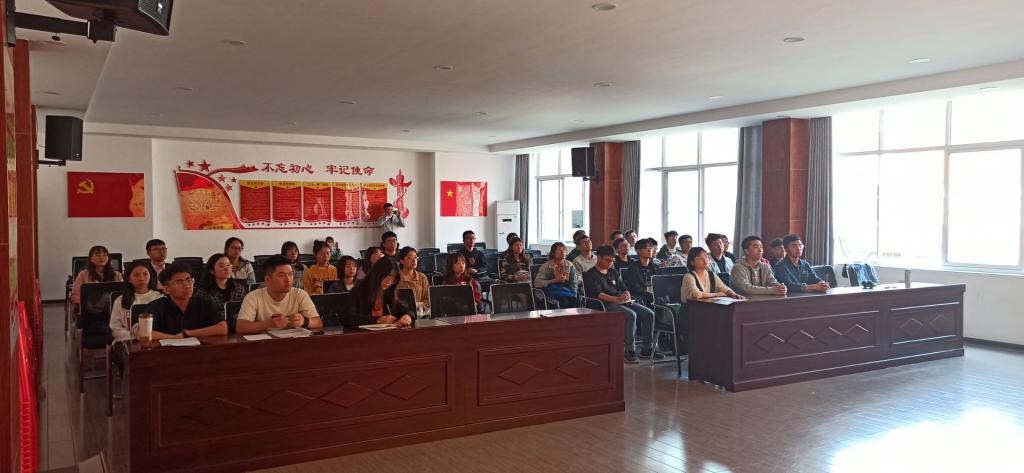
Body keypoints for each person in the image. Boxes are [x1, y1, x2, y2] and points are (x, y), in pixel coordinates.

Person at [584, 245, 657, 363]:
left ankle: (647, 348)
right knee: (631, 315)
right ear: (599, 258)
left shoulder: (613, 272)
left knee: (649, 314)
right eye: (607, 260)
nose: (610, 263)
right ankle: (630, 350)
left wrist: (626, 293)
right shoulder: (591, 274)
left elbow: (623, 287)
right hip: (604, 304)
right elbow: (598, 294)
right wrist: (616, 299)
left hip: (621, 301)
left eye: (612, 260)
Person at [236, 256, 323, 334]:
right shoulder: (253, 297)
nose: (288, 279)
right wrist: (268, 324)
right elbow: (241, 327)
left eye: (290, 274)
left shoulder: (299, 294)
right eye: (282, 276)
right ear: (267, 279)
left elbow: (318, 322)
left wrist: (304, 321)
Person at [144, 263, 228, 340]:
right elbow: (144, 333)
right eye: (179, 282)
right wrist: (176, 338)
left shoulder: (204, 303)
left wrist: (187, 333)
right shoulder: (157, 306)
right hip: (168, 350)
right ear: (166, 289)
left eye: (189, 280)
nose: (187, 286)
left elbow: (223, 328)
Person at [350, 256, 413, 327]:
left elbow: (407, 311)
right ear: (378, 273)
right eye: (388, 275)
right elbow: (348, 317)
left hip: (385, 332)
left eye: (393, 278)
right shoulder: (358, 291)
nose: (389, 281)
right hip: (361, 333)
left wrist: (408, 316)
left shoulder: (388, 292)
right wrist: (377, 320)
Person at [109, 263, 164, 342]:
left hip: (157, 340)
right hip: (128, 340)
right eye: (136, 275)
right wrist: (135, 336)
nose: (142, 278)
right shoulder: (121, 300)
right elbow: (115, 328)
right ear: (128, 279)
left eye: (145, 274)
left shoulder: (160, 297)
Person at [194, 253, 248, 320]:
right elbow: (202, 315)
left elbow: (245, 308)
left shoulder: (238, 288)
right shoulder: (204, 291)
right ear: (212, 271)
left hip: (238, 323)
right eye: (221, 266)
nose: (227, 268)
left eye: (228, 265)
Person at [533, 242, 580, 309]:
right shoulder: (546, 266)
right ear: (553, 253)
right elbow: (537, 283)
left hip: (566, 291)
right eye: (560, 250)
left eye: (564, 250)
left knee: (575, 302)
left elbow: (574, 282)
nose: (563, 252)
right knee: (564, 301)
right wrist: (554, 280)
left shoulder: (570, 265)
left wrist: (573, 295)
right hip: (550, 293)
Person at [624, 238, 662, 308]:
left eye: (651, 248)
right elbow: (635, 288)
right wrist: (651, 294)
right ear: (638, 251)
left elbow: (661, 283)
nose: (650, 250)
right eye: (646, 248)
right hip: (642, 298)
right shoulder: (633, 268)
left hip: (656, 296)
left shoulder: (655, 267)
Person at [396, 246, 430, 311]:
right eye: (410, 258)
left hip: (421, 312)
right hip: (402, 312)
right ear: (402, 261)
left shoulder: (422, 277)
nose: (414, 260)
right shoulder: (396, 277)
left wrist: (422, 307)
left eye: (415, 257)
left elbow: (428, 298)